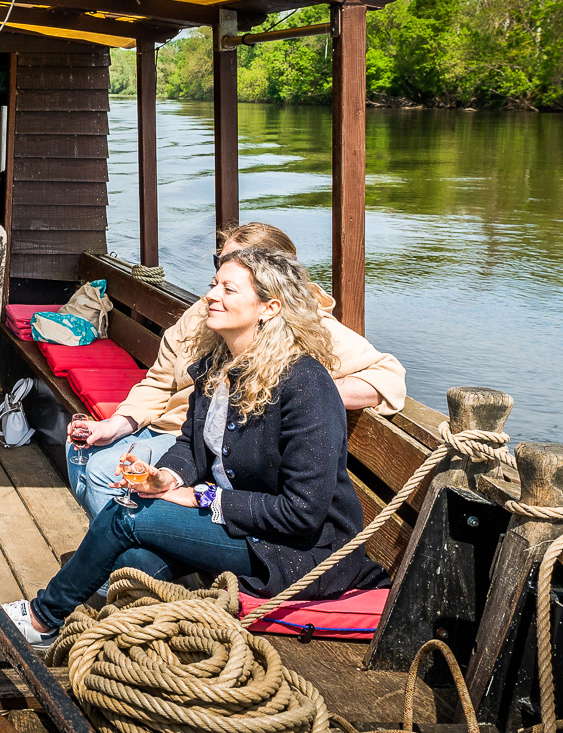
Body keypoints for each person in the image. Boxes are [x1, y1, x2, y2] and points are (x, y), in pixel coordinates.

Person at [0, 247, 389, 651]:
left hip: (293, 551)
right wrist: (166, 476)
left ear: (270, 308)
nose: (211, 296)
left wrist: (199, 496)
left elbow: (303, 512)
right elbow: (190, 444)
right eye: (213, 284)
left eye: (229, 289)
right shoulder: (217, 366)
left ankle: (41, 620)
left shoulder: (305, 384)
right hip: (241, 527)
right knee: (133, 561)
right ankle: (103, 651)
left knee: (126, 514)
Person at [68, 221, 406, 517]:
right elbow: (158, 381)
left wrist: (293, 395)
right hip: (173, 430)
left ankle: (121, 573)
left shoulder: (308, 325)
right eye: (220, 265)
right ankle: (119, 567)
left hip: (209, 448)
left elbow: (388, 377)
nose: (216, 285)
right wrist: (117, 424)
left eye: (234, 269)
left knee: (103, 470)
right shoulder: (204, 312)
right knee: (80, 447)